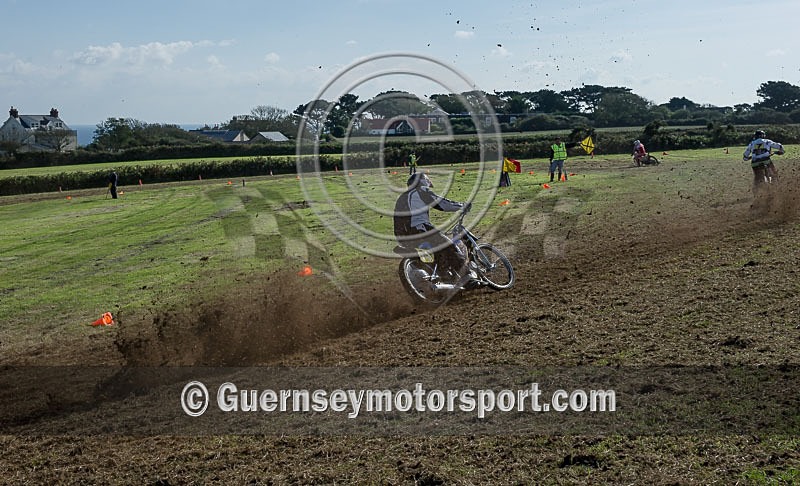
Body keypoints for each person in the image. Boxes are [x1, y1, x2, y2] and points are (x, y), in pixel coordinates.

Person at [394, 173, 473, 285]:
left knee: (437, 253)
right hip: (419, 228)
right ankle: (468, 276)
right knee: (450, 247)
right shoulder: (420, 191)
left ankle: (445, 279)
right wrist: (462, 206)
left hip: (402, 236)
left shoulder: (402, 197)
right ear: (423, 181)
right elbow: (442, 204)